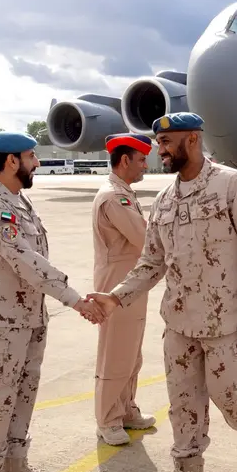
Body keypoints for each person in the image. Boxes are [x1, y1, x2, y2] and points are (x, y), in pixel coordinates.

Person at [86, 112, 237, 472]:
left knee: (231, 399)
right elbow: (151, 262)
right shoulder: (164, 199)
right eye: (159, 143)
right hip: (179, 324)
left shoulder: (232, 185)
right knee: (183, 408)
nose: (160, 150)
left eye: (165, 142)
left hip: (228, 323)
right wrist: (115, 298)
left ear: (192, 139)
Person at [0, 131, 100, 472]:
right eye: (31, 156)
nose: (37, 162)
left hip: (27, 321)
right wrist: (74, 299)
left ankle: (16, 470)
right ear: (12, 161)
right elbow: (25, 260)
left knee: (22, 398)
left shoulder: (18, 201)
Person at [91, 133, 157, 445]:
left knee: (132, 355)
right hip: (116, 285)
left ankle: (127, 410)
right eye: (141, 159)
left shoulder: (124, 193)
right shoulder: (113, 197)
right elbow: (145, 238)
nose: (146, 164)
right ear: (125, 160)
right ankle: (107, 420)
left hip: (130, 284)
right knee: (116, 356)